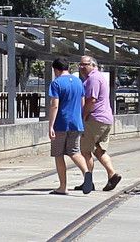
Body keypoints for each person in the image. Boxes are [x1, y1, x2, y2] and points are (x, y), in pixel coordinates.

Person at [47, 57, 91, 195]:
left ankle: (63, 186)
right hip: (76, 123)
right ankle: (87, 173)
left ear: (56, 70)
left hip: (61, 123)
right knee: (75, 152)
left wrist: (50, 126)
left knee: (58, 155)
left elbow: (55, 105)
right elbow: (83, 103)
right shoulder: (79, 82)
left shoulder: (56, 83)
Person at [77, 57, 121, 192]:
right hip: (105, 119)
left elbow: (91, 100)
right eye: (80, 65)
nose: (81, 67)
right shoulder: (99, 77)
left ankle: (88, 182)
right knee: (99, 150)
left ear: (93, 65)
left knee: (85, 151)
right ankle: (112, 174)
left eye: (84, 65)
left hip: (94, 119)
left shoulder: (93, 79)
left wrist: (83, 116)